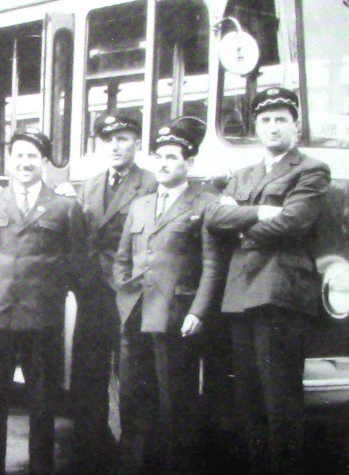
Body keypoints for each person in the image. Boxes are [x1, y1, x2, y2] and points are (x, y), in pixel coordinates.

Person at [205, 87, 331, 474]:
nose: (273, 127)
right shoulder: (243, 174)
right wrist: (260, 211)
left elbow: (293, 222)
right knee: (249, 399)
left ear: (296, 125)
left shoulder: (310, 169)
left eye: (281, 119)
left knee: (281, 401)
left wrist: (239, 224)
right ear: (256, 127)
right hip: (242, 293)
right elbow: (213, 217)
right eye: (265, 119)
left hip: (280, 294)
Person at [0, 129, 91, 475]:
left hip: (42, 320)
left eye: (32, 157)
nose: (25, 163)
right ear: (9, 160)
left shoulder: (65, 207)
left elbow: (76, 264)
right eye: (19, 155)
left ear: (45, 162)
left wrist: (51, 293)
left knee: (42, 405)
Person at [113, 116, 225, 474]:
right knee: (131, 399)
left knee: (176, 404)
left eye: (172, 157)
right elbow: (122, 257)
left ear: (189, 163)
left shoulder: (204, 203)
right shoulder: (141, 205)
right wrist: (123, 293)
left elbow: (212, 265)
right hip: (135, 316)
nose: (163, 163)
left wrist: (198, 312)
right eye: (159, 156)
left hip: (175, 317)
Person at [71, 114, 157, 472]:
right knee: (87, 373)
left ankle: (132, 456)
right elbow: (78, 238)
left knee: (132, 376)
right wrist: (82, 280)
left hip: (129, 293)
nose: (115, 146)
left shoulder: (150, 183)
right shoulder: (89, 185)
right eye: (108, 140)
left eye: (123, 138)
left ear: (137, 142)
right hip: (92, 292)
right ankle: (93, 452)